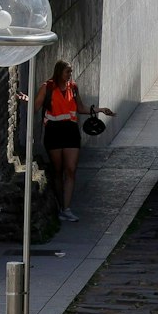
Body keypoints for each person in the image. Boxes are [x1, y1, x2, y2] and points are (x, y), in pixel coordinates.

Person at [28, 61, 112, 223]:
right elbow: (35, 108)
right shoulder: (47, 87)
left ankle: (66, 208)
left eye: (71, 72)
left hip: (71, 132)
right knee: (58, 170)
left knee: (71, 169)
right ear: (59, 72)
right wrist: (27, 100)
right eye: (67, 72)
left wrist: (100, 110)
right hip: (53, 131)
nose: (70, 75)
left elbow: (80, 108)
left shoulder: (73, 87)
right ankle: (60, 205)